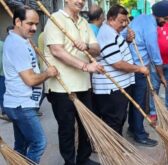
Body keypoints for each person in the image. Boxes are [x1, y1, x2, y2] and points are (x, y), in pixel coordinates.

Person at [44, 0, 102, 164]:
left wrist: (86, 47)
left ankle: (83, 159)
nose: (81, 1)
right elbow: (57, 51)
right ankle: (69, 162)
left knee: (86, 125)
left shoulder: (84, 22)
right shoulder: (55, 19)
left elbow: (97, 48)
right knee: (67, 128)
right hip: (62, 87)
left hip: (83, 85)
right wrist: (85, 66)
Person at [2, 6, 58, 163]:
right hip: (21, 105)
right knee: (39, 143)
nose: (34, 28)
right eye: (30, 23)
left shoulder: (20, 40)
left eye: (36, 24)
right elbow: (30, 80)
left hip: (19, 103)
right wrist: (48, 73)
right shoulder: (17, 44)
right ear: (18, 22)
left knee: (21, 145)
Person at [92, 5, 149, 135]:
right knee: (114, 121)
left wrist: (127, 41)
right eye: (121, 21)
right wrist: (139, 68)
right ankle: (114, 151)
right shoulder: (107, 34)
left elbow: (115, 53)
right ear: (111, 19)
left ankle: (117, 149)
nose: (124, 24)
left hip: (118, 86)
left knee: (119, 119)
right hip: (111, 88)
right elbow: (117, 63)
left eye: (125, 21)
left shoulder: (112, 32)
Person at [125, 0, 168, 147]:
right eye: (165, 19)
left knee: (135, 100)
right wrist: (161, 76)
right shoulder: (150, 27)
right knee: (140, 102)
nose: (166, 22)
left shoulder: (142, 18)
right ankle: (139, 135)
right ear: (159, 15)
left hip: (132, 66)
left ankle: (133, 128)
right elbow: (155, 55)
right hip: (139, 67)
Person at [148, 17, 168, 121]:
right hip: (156, 63)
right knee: (154, 88)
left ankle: (167, 110)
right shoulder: (154, 24)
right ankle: (153, 112)